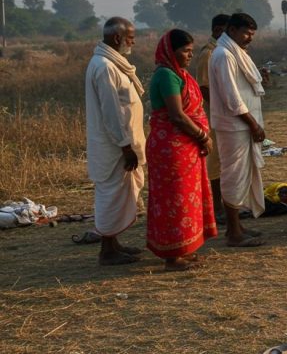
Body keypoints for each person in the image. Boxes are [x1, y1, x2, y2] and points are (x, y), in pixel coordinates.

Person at [145, 29, 218, 271]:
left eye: (190, 50)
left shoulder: (180, 75)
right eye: (185, 51)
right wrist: (202, 136)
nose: (190, 55)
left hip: (185, 147)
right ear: (170, 51)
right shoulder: (167, 75)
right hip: (171, 148)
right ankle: (172, 256)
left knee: (188, 199)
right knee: (173, 199)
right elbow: (176, 115)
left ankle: (184, 248)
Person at [85, 17, 146, 266]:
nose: (133, 42)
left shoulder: (113, 63)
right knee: (111, 197)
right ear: (118, 38)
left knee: (121, 196)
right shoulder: (104, 67)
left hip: (122, 143)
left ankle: (114, 243)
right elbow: (111, 112)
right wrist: (125, 146)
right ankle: (107, 251)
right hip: (115, 147)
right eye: (130, 37)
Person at [208, 13, 267, 246]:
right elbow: (232, 97)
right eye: (245, 33)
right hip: (234, 126)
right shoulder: (223, 55)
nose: (248, 38)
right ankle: (233, 232)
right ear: (231, 30)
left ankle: (237, 226)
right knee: (233, 176)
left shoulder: (235, 53)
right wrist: (253, 124)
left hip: (240, 125)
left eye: (252, 34)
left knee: (241, 175)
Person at [193, 13, 230, 221]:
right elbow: (203, 86)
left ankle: (226, 203)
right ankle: (217, 207)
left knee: (224, 160)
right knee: (215, 161)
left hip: (224, 113)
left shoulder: (224, 51)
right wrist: (221, 107)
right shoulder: (208, 53)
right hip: (213, 113)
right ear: (218, 30)